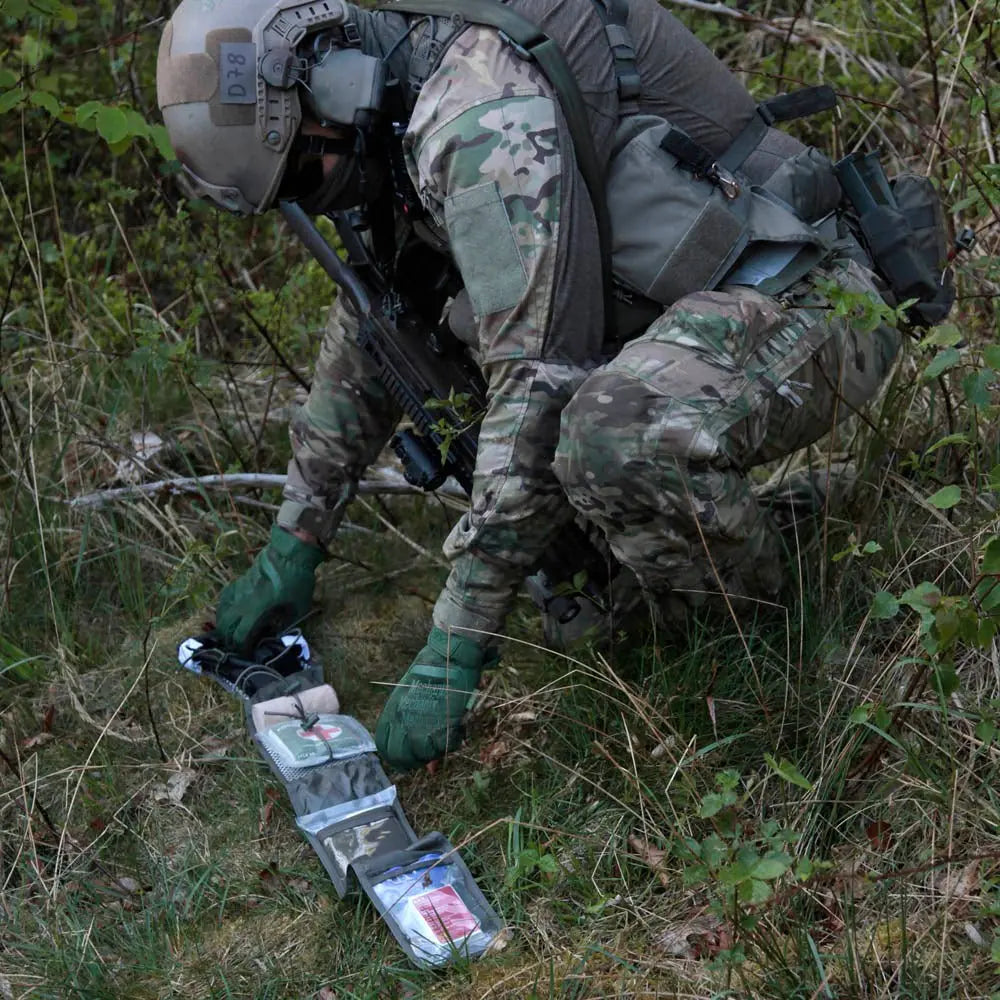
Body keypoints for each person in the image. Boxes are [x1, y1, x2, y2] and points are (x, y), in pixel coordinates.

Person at [156, 0, 902, 771]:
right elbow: (378, 319)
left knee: (614, 438)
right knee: (589, 603)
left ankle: (764, 656)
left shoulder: (477, 114)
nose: (321, 197)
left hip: (811, 297)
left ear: (331, 89)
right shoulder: (390, 93)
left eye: (308, 172)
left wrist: (459, 633)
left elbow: (542, 374)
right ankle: (792, 519)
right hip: (681, 308)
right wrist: (298, 534)